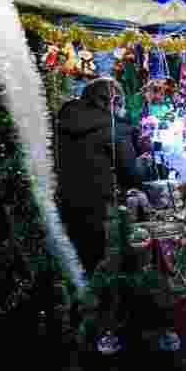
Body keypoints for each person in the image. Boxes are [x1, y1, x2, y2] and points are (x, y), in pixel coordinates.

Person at [57, 77, 142, 273]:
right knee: (105, 269)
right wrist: (142, 159)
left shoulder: (65, 119)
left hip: (69, 206)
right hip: (102, 210)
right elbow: (131, 174)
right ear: (112, 101)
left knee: (80, 265)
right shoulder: (113, 126)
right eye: (118, 102)